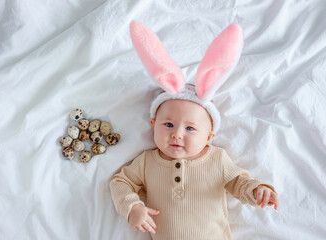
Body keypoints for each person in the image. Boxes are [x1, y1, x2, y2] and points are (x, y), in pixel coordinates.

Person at [109, 21, 280, 240]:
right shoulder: (146, 162)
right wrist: (132, 208)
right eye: (168, 124)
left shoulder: (217, 159)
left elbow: (239, 182)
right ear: (153, 124)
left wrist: (257, 191)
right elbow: (121, 182)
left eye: (190, 128)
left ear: (209, 137)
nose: (177, 134)